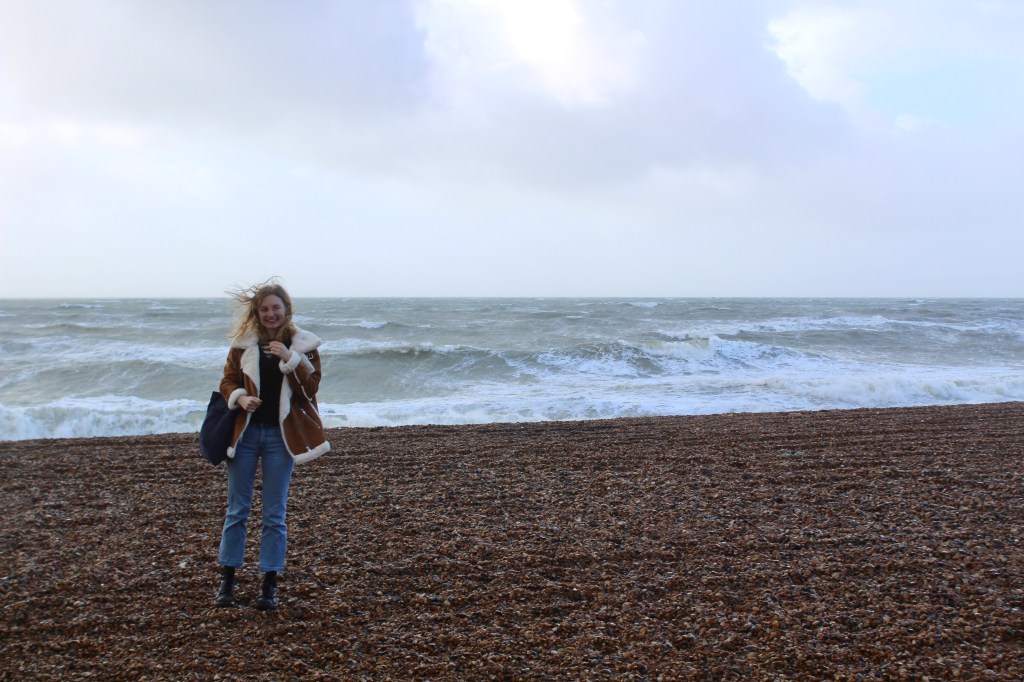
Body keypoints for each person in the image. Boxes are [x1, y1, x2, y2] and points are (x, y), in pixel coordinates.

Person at [214, 279, 330, 609]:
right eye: (264, 309)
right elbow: (227, 381)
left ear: (286, 310)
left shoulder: (304, 346)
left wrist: (291, 359)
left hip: (283, 438)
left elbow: (310, 390)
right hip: (246, 434)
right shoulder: (242, 344)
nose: (270, 314)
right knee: (237, 509)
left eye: (275, 308)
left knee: (274, 514)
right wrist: (240, 397)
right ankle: (227, 583)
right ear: (257, 312)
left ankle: (269, 585)